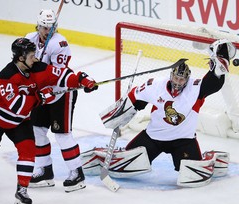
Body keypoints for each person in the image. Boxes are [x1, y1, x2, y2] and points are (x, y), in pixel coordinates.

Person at [0, 37, 97, 204]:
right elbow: (17, 107)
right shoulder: (7, 76)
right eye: (31, 56)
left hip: (18, 122)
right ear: (20, 57)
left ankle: (22, 190)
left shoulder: (37, 67)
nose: (36, 58)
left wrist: (82, 79)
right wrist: (41, 97)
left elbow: (60, 75)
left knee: (29, 150)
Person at [82, 39, 235, 187]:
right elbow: (135, 97)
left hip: (183, 140)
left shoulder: (195, 88)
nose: (178, 82)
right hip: (153, 137)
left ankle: (212, 158)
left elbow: (214, 82)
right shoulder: (155, 85)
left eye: (182, 80)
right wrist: (122, 113)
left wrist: (220, 60)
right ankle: (100, 154)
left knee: (193, 175)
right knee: (123, 165)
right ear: (171, 76)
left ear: (187, 80)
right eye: (176, 77)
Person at [25, 9, 93, 192]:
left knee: (62, 135)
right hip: (41, 94)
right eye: (45, 28)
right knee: (37, 131)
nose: (48, 31)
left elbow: (58, 74)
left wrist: (48, 83)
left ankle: (76, 173)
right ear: (38, 26)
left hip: (60, 93)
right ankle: (45, 171)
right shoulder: (29, 39)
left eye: (51, 27)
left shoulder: (60, 43)